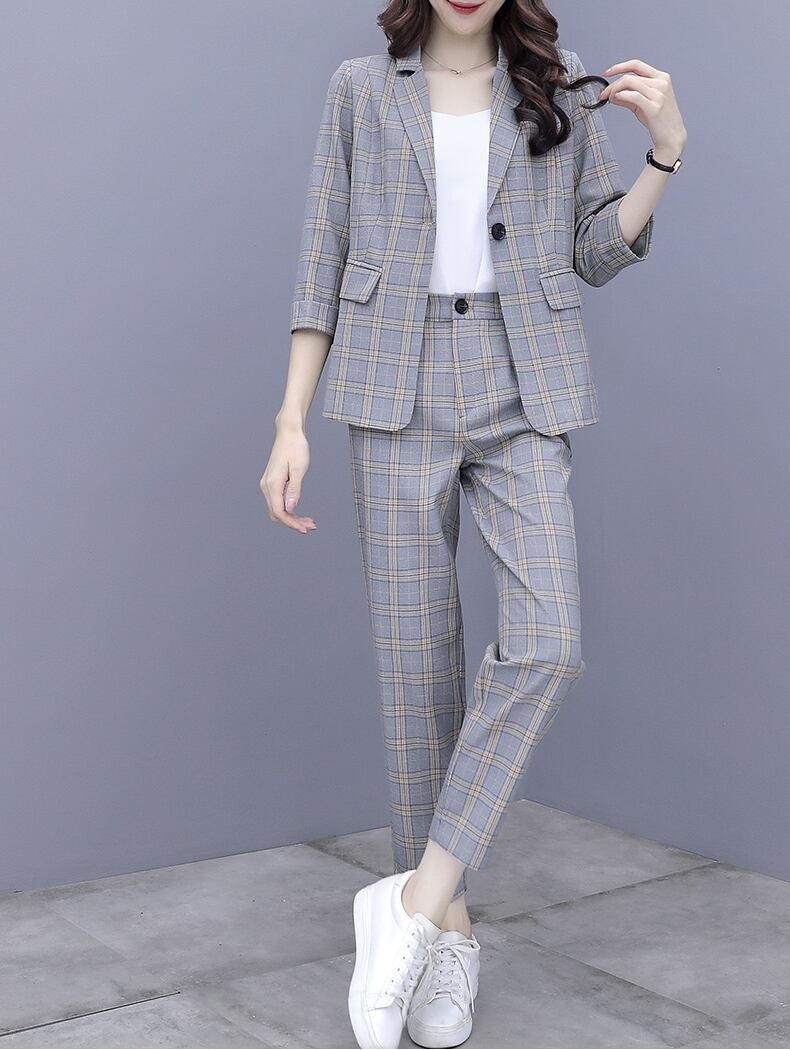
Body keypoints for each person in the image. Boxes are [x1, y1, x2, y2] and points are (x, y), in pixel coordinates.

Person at [261, 0, 686, 1046]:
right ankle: (448, 934)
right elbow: (323, 254)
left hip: (521, 390)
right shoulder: (362, 90)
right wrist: (290, 422)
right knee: (420, 677)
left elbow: (595, 252)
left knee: (546, 644)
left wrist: (664, 154)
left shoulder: (558, 80)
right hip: (391, 389)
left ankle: (408, 906)